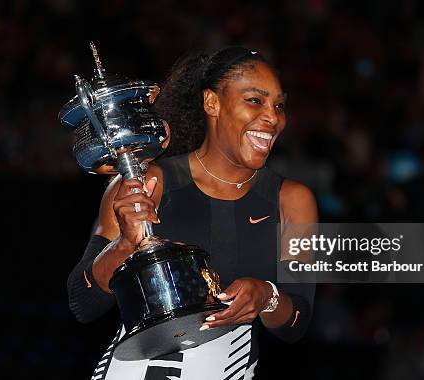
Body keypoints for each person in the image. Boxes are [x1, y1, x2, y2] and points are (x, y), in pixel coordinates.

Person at [67, 46, 317, 379]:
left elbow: (297, 321)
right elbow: (82, 302)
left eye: (279, 105)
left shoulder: (293, 200)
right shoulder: (148, 182)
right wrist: (125, 244)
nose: (272, 118)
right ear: (212, 103)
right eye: (255, 101)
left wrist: (265, 296)